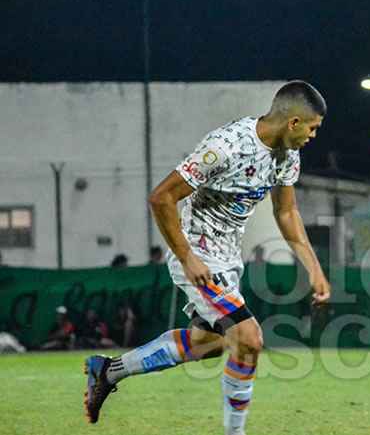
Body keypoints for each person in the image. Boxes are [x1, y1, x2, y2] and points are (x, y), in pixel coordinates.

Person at [84, 80, 332, 435]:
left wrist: (314, 268)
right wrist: (187, 258)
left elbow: (287, 212)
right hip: (198, 254)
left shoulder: (287, 154)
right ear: (293, 122)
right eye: (312, 128)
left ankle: (107, 371)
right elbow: (161, 198)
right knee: (249, 338)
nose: (313, 136)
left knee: (210, 344)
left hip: (227, 261)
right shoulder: (226, 147)